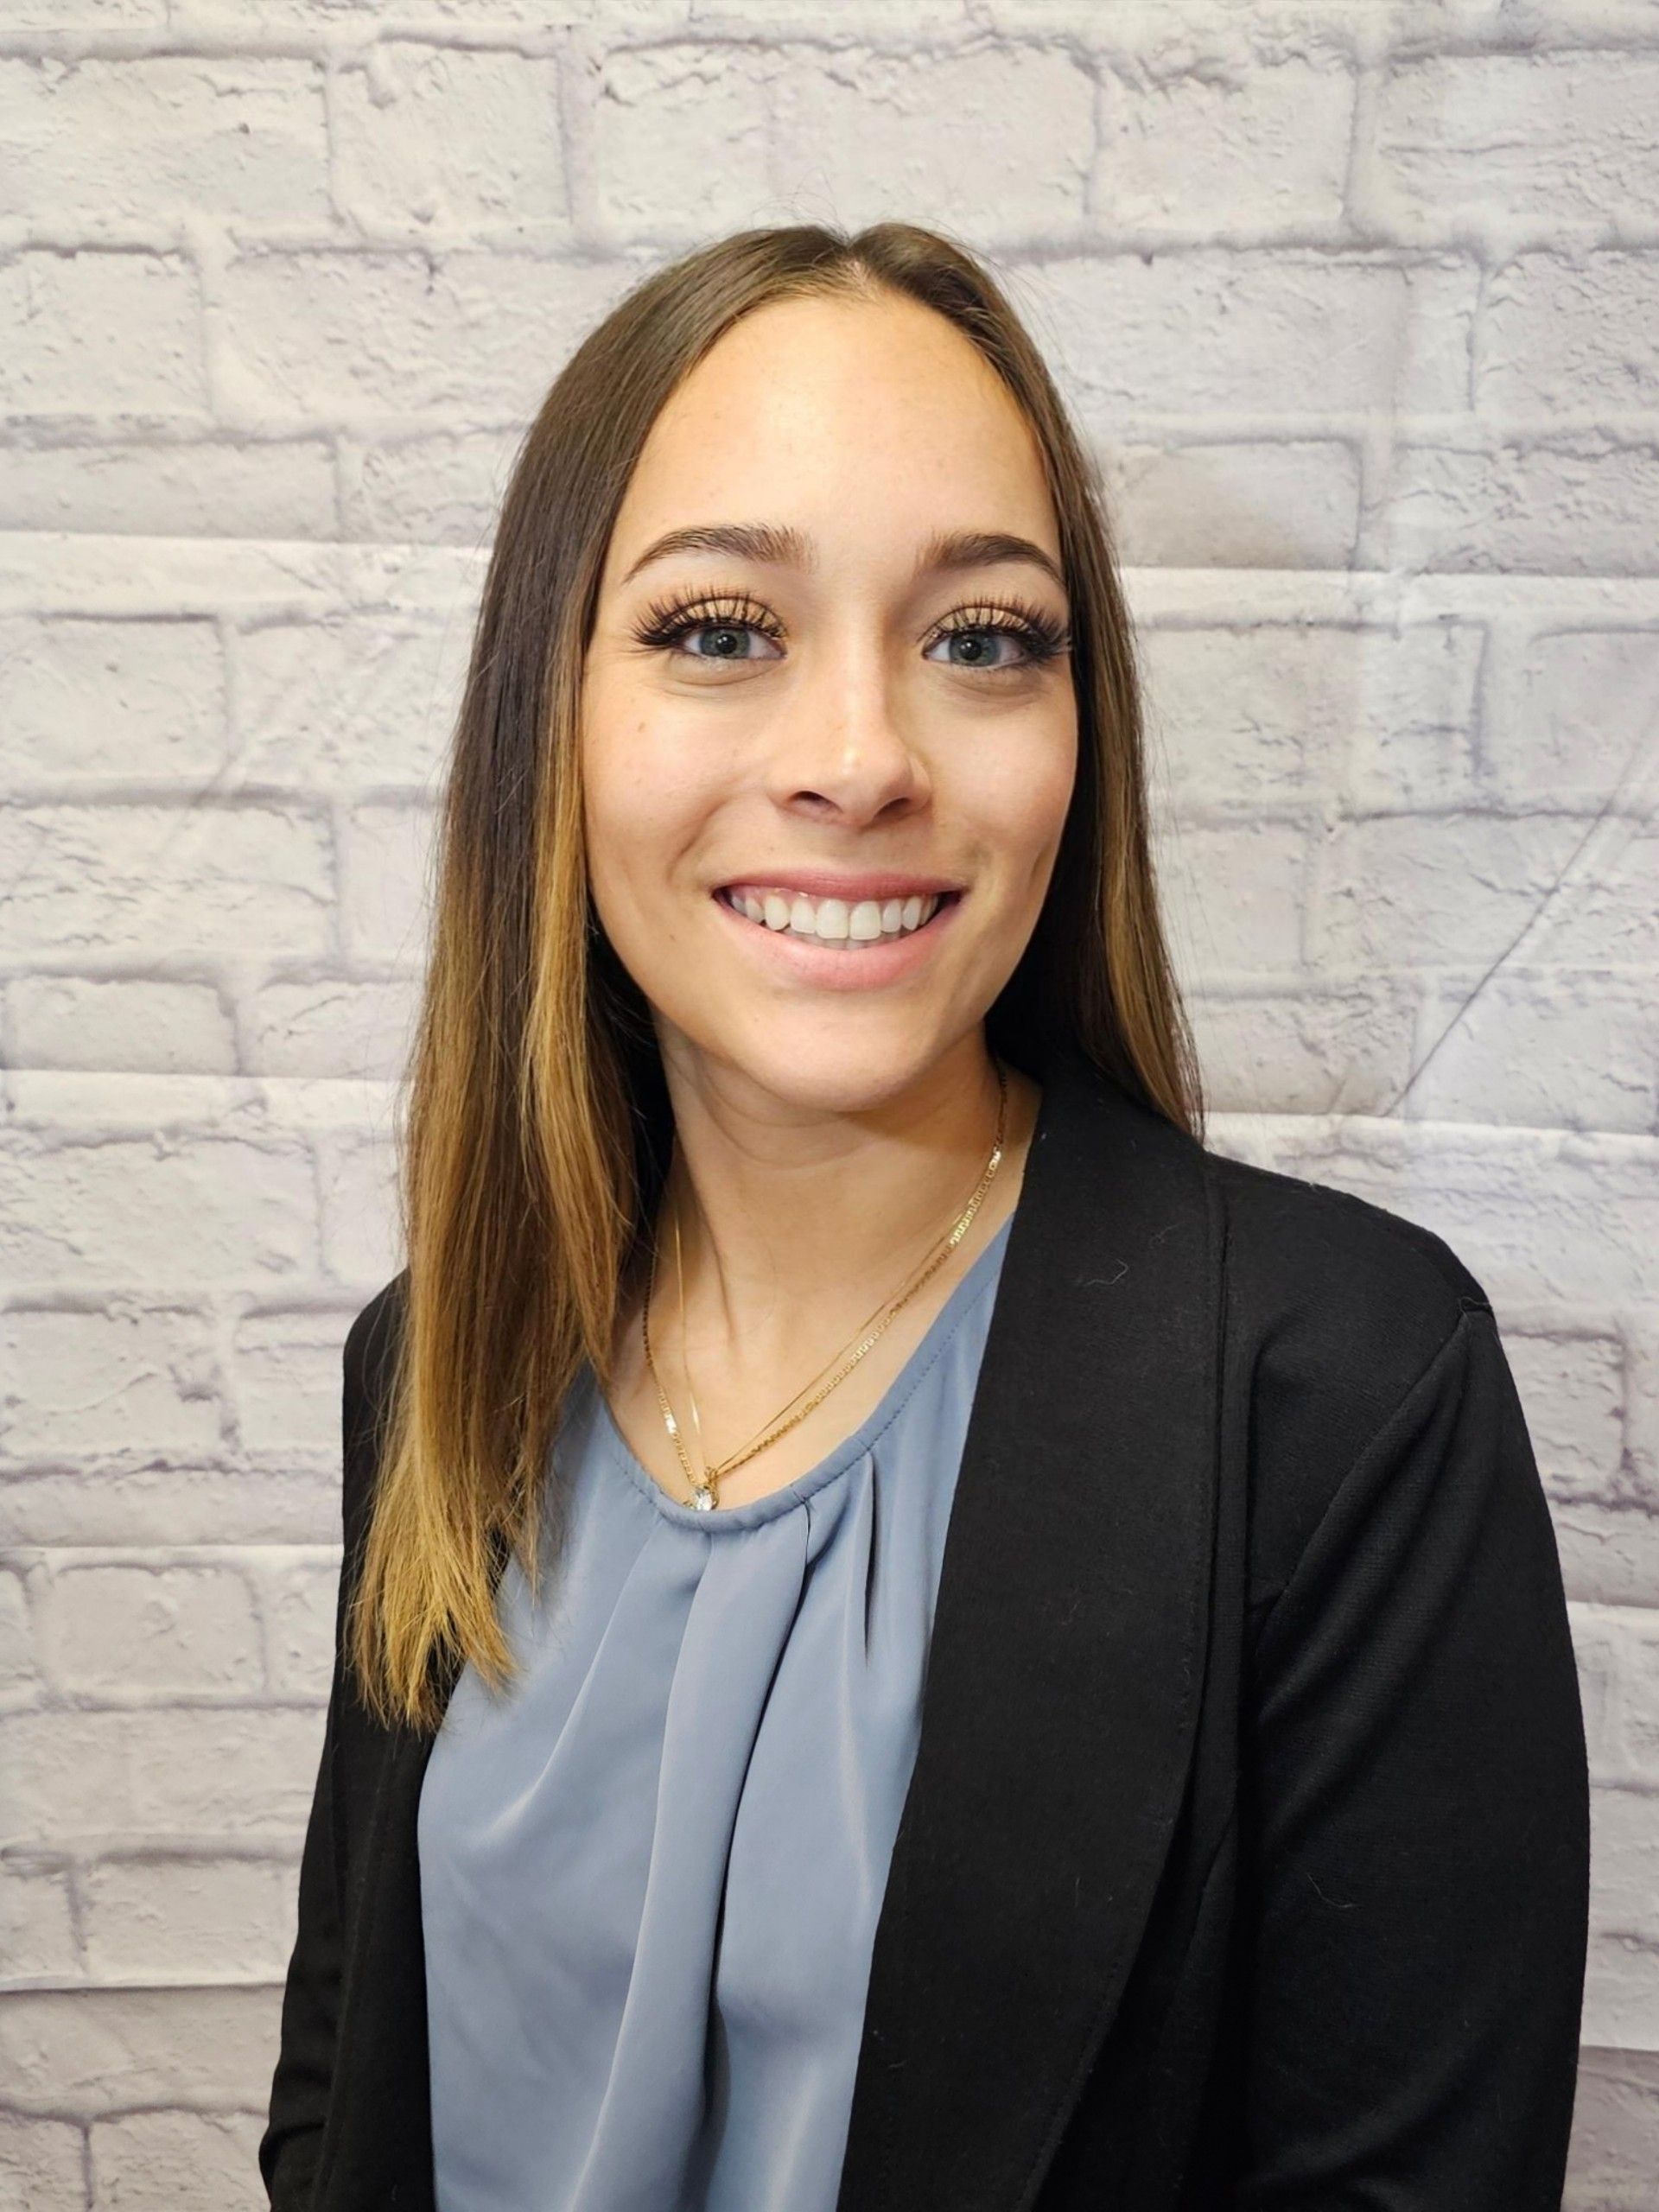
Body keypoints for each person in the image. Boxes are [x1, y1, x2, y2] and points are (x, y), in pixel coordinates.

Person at [258, 222, 1590, 2212]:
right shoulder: (444, 1350)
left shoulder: (1339, 1404)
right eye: (723, 628)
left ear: (1080, 731)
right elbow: (339, 2100)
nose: (862, 759)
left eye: (982, 637)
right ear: (555, 707)